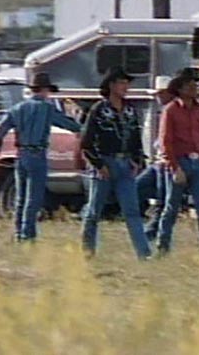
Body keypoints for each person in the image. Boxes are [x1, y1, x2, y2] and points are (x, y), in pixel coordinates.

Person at [0, 72, 81, 242]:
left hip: (21, 154)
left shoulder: (17, 108)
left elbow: (1, 128)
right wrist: (78, 124)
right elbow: (67, 124)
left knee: (20, 197)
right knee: (34, 198)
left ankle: (18, 233)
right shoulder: (46, 108)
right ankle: (27, 234)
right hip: (37, 154)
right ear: (45, 90)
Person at [80, 66, 151, 259]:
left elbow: (136, 137)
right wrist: (98, 165)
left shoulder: (130, 110)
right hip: (104, 162)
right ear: (111, 85)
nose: (126, 86)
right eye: (122, 82)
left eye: (127, 83)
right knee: (94, 211)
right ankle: (87, 251)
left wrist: (137, 160)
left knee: (132, 211)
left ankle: (144, 254)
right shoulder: (98, 110)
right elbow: (86, 142)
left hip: (125, 163)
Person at [156, 68, 199, 254]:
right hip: (179, 162)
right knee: (171, 207)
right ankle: (162, 246)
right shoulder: (171, 110)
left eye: (195, 85)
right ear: (180, 89)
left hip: (198, 163)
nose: (194, 88)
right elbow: (166, 140)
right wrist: (175, 167)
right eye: (190, 85)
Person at [136, 75, 173, 241]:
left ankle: (151, 231)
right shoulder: (166, 111)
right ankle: (149, 227)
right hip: (159, 162)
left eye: (160, 93)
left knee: (161, 200)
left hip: (166, 163)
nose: (157, 97)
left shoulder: (172, 111)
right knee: (137, 188)